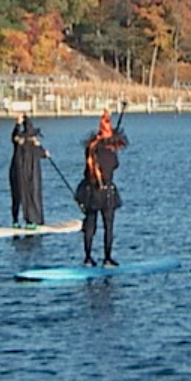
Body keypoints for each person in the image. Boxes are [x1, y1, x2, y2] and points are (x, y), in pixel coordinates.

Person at [77, 110, 128, 266]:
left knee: (90, 224)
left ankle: (87, 258)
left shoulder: (91, 147)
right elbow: (114, 165)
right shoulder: (108, 152)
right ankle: (107, 258)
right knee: (108, 226)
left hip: (90, 191)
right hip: (105, 192)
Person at [9, 113, 47, 228]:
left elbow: (14, 136)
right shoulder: (31, 143)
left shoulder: (19, 140)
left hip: (16, 171)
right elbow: (43, 153)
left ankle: (16, 220)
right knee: (30, 194)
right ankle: (30, 220)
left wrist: (17, 124)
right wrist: (43, 151)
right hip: (26, 172)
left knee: (17, 195)